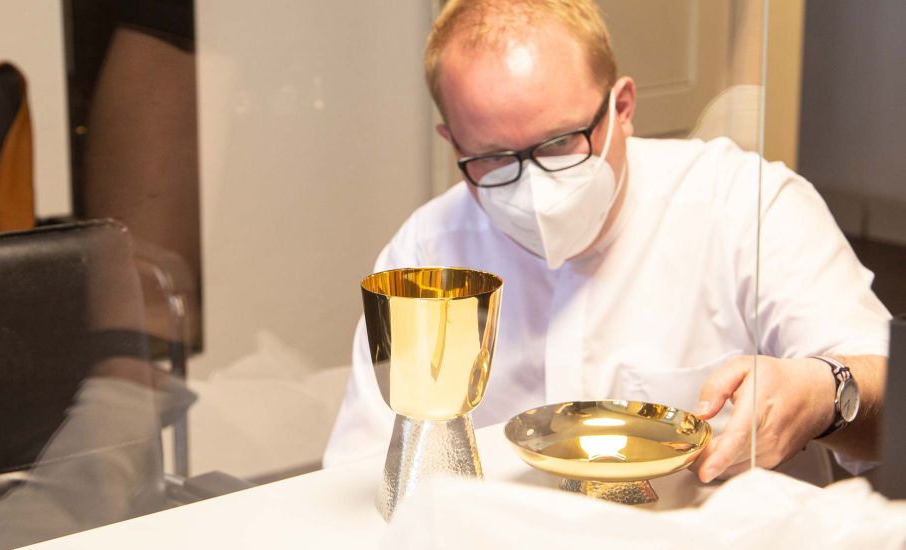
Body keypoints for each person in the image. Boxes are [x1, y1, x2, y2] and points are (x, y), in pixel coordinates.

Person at [324, 0, 890, 484]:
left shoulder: (743, 204)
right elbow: (364, 469)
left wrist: (824, 391)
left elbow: (888, 395)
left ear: (622, 108)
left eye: (560, 143)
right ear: (453, 143)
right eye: (493, 157)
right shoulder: (428, 253)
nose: (533, 190)